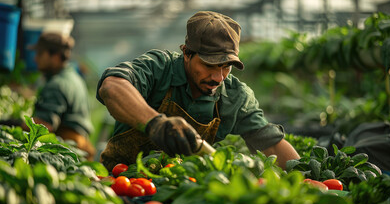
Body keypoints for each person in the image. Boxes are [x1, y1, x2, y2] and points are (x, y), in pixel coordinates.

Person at [96, 11, 300, 171]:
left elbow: (271, 145)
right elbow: (112, 86)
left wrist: (307, 181)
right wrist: (156, 124)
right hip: (124, 181)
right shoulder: (158, 69)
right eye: (209, 65)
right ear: (186, 53)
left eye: (226, 66)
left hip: (183, 188)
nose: (218, 77)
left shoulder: (236, 96)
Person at [23, 32, 95, 160]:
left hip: (67, 152)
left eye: (40, 54)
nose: (35, 59)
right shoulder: (73, 77)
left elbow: (44, 126)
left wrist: (12, 123)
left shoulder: (57, 84)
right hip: (79, 148)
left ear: (55, 56)